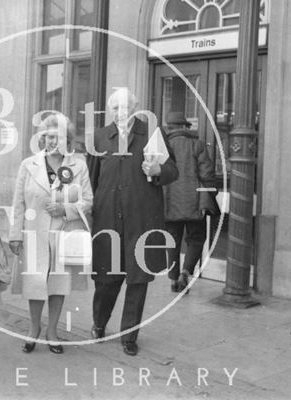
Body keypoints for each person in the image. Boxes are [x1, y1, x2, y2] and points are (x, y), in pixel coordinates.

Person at [87, 88, 178, 356]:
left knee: (138, 280)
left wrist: (159, 169)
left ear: (135, 108)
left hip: (141, 220)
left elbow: (174, 170)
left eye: (125, 107)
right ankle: (99, 323)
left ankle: (129, 335)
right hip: (107, 220)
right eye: (115, 108)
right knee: (106, 278)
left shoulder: (151, 133)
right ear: (109, 110)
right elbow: (90, 181)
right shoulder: (100, 137)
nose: (120, 112)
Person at [9, 114, 93, 354]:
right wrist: (15, 235)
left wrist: (65, 209)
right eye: (46, 136)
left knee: (58, 285)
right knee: (35, 284)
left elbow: (88, 200)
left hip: (63, 233)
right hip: (34, 235)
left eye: (56, 137)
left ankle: (52, 331)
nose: (51, 141)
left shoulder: (78, 165)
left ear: (67, 139)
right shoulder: (28, 164)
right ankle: (33, 329)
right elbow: (18, 203)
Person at [163, 112, 216, 292]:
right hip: (195, 203)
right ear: (185, 127)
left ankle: (173, 279)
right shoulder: (196, 145)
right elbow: (207, 175)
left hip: (169, 203)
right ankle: (185, 272)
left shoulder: (163, 146)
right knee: (196, 238)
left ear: (169, 129)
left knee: (172, 240)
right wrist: (208, 198)